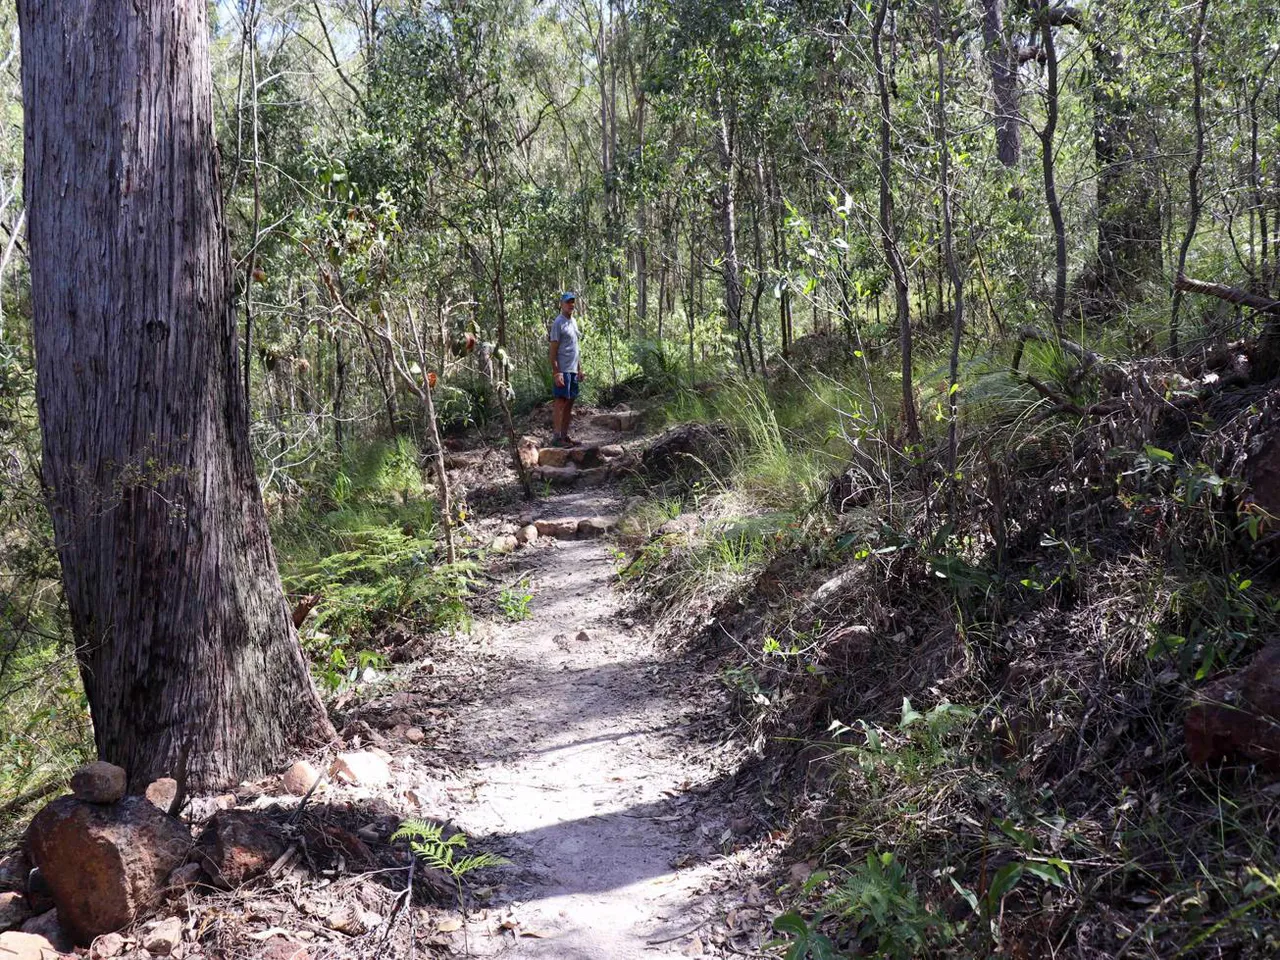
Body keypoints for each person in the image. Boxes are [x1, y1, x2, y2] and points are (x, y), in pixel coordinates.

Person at [548, 291, 583, 447]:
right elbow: (553, 350)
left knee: (570, 403)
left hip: (573, 369)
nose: (571, 304)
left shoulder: (573, 322)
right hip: (563, 369)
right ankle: (556, 438)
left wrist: (579, 369)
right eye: (568, 302)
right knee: (560, 402)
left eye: (572, 302)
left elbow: (575, 347)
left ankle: (564, 435)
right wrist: (556, 372)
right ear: (562, 304)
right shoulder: (558, 323)